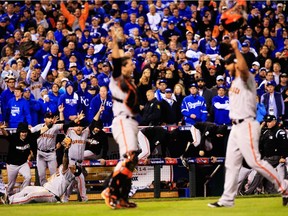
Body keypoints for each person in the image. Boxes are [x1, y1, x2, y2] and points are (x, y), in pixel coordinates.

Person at [208, 39, 288, 208]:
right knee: (230, 163)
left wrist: (237, 50)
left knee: (255, 162)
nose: (228, 68)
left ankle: (283, 186)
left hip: (247, 125)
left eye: (230, 65)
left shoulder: (247, 79)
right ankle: (228, 198)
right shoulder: (234, 82)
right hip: (235, 127)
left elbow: (243, 68)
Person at [101, 26, 139, 209]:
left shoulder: (129, 82)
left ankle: (122, 197)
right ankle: (110, 191)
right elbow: (116, 61)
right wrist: (116, 42)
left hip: (130, 121)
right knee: (128, 157)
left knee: (133, 160)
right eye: (129, 63)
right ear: (123, 67)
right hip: (122, 120)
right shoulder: (117, 79)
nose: (132, 65)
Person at [1, 136, 82, 204]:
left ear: (74, 171)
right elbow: (63, 165)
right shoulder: (64, 170)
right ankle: (8, 197)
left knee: (31, 196)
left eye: (74, 167)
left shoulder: (70, 175)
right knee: (27, 189)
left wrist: (66, 151)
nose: (72, 166)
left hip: (52, 195)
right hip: (45, 189)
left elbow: (65, 162)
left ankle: (11, 201)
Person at [0, 122, 50, 197]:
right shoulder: (14, 137)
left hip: (23, 163)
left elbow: (41, 131)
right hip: (12, 164)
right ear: (19, 132)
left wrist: (51, 125)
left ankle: (21, 193)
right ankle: (9, 196)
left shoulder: (30, 137)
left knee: (28, 177)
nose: (24, 134)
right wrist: (2, 129)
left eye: (25, 132)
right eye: (22, 132)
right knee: (11, 185)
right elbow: (6, 134)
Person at [30, 105, 65, 186]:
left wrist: (61, 112)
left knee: (54, 175)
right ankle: (44, 191)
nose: (50, 119)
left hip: (51, 153)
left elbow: (63, 124)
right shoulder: (38, 127)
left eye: (51, 117)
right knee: (41, 175)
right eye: (48, 117)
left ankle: (53, 191)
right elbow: (30, 132)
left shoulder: (55, 127)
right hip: (40, 153)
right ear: (44, 119)